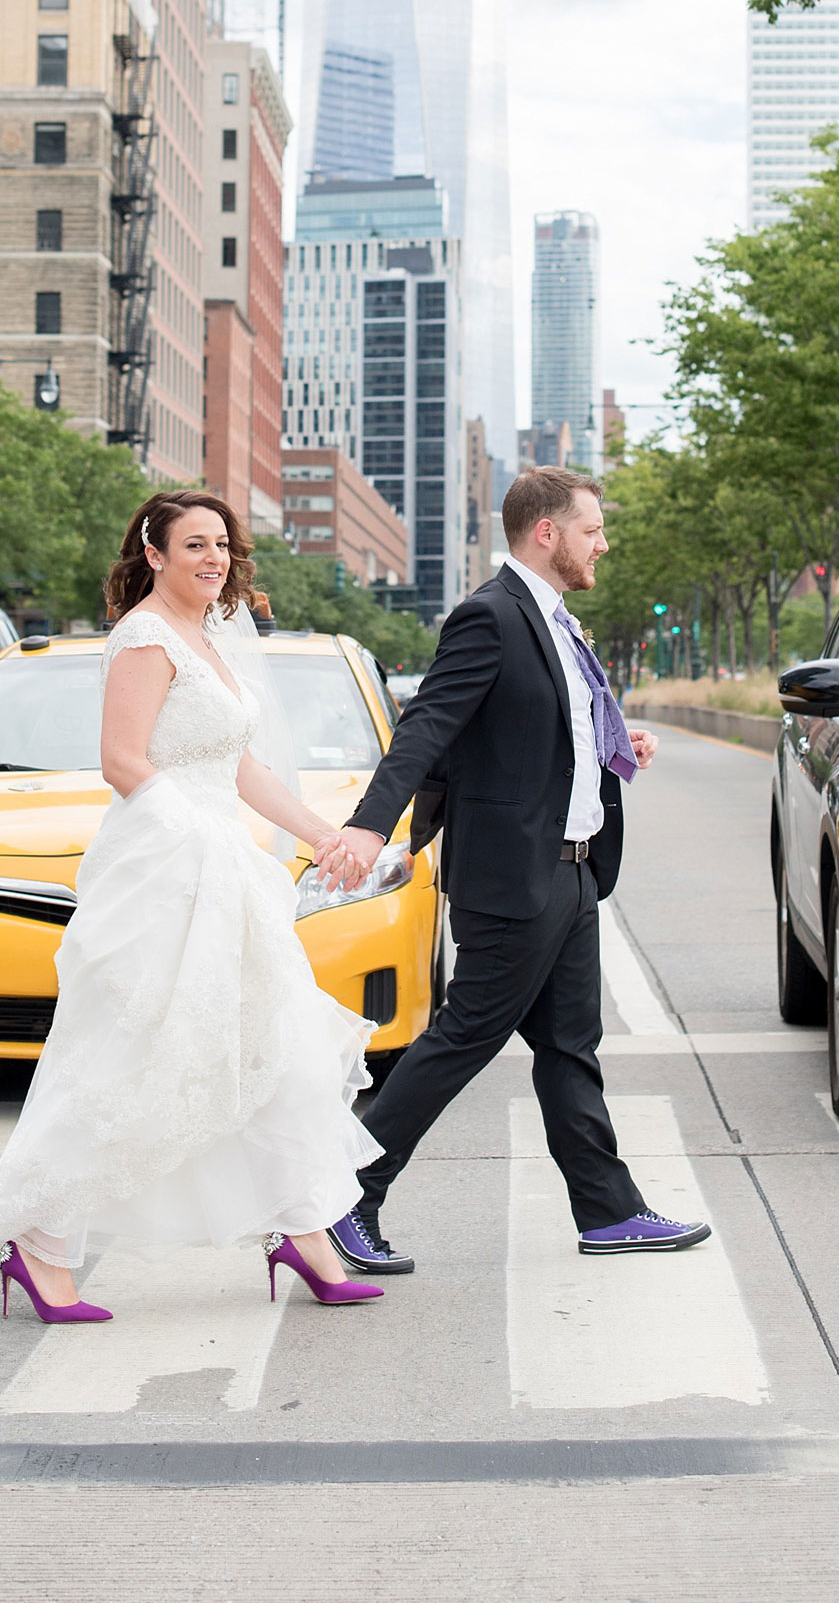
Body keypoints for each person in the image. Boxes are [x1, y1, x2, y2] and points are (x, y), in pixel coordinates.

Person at [0, 492, 385, 1321]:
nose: (214, 558)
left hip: (224, 867)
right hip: (164, 869)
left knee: (270, 1042)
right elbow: (122, 762)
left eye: (223, 545)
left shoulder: (209, 640)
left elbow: (238, 766)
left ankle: (302, 1231)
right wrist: (201, 843)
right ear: (153, 554)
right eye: (193, 544)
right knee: (129, 1053)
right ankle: (39, 1242)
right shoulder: (144, 636)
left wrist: (321, 834)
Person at [323, 464, 713, 1274]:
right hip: (513, 878)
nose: (603, 544)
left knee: (571, 1047)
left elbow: (546, 734)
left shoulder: (560, 624)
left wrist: (616, 749)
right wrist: (368, 826)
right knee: (465, 1036)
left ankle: (609, 1213)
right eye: (593, 530)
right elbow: (427, 727)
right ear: (548, 533)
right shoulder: (488, 618)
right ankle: (345, 1191)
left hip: (572, 874)